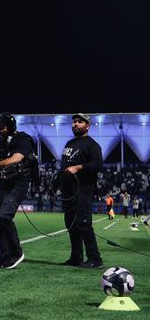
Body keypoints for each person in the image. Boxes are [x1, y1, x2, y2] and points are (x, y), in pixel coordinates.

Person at [0, 113, 36, 269]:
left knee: (4, 216)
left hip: (19, 184)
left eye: (2, 127)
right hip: (4, 183)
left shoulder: (24, 139)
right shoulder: (1, 142)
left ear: (11, 127)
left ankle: (16, 253)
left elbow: (16, 159)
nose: (0, 130)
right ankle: (3, 258)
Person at [57, 113, 103, 268]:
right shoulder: (69, 143)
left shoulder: (92, 144)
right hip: (68, 191)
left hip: (83, 189)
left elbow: (98, 164)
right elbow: (64, 167)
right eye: (74, 122)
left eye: (79, 122)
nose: (75, 124)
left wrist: (78, 167)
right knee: (71, 224)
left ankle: (95, 259)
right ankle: (76, 257)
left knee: (83, 224)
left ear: (87, 126)